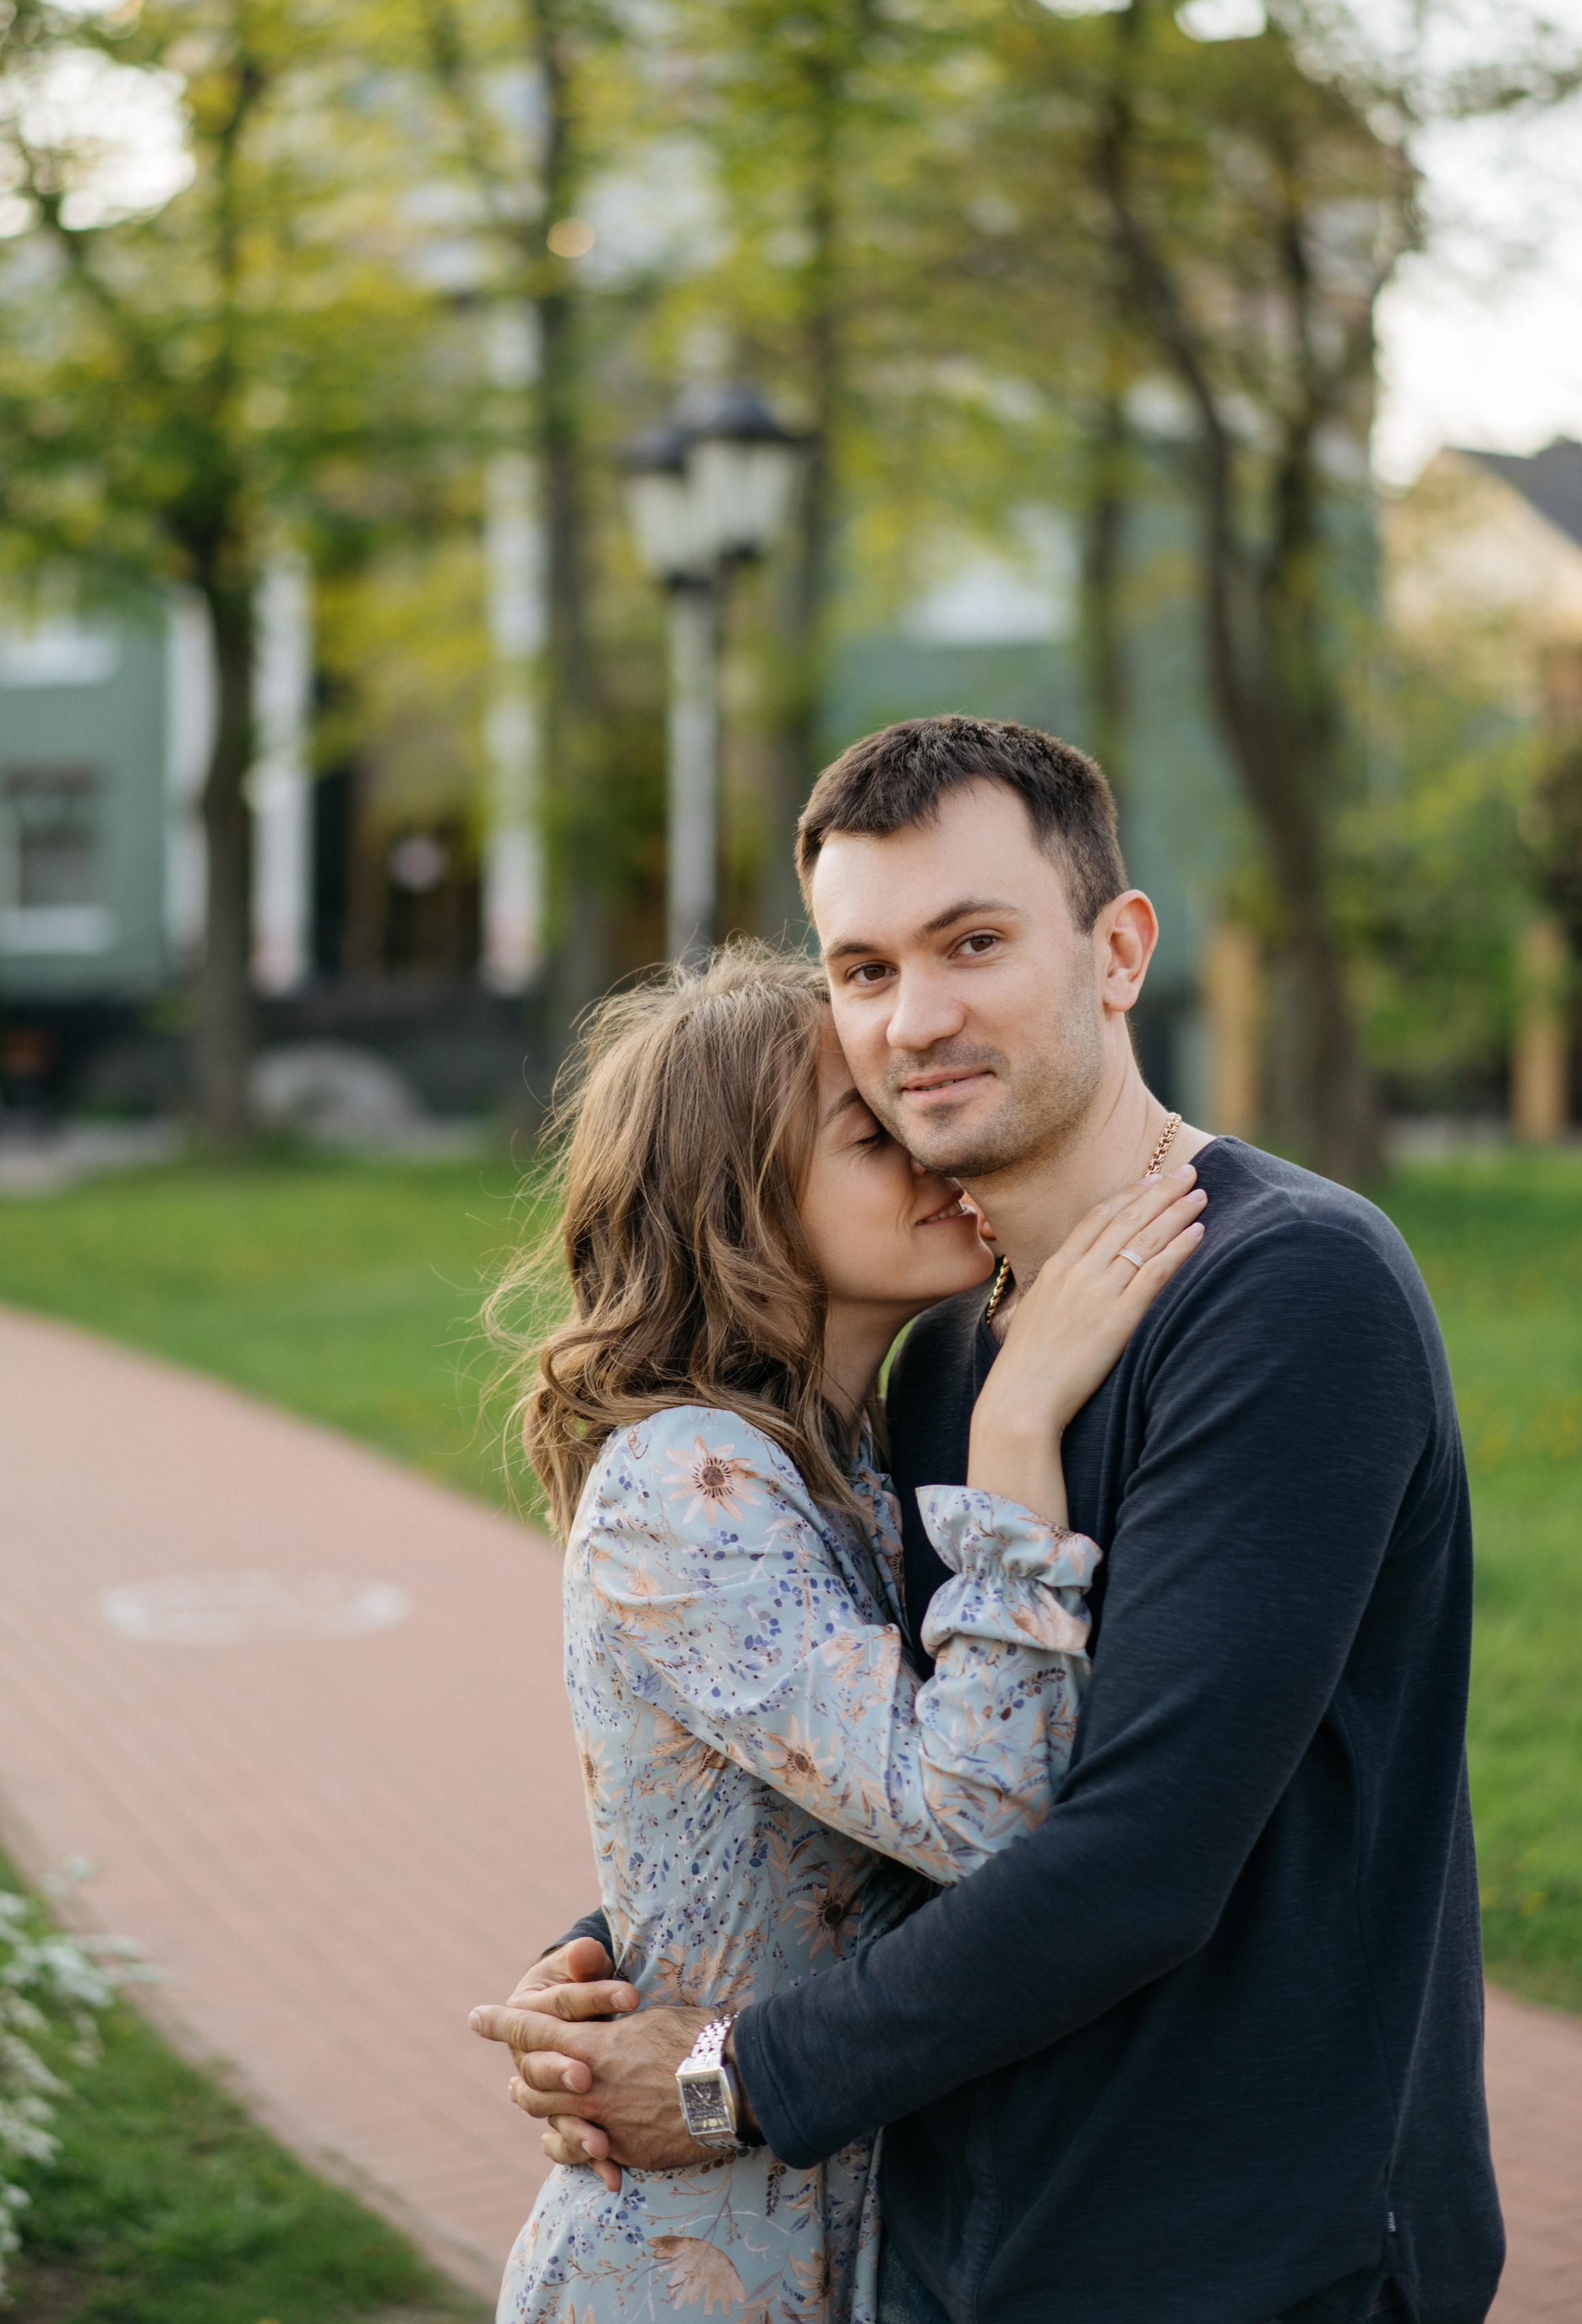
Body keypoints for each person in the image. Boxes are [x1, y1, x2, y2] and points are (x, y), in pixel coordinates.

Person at [473, 717, 1503, 2324]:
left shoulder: (1285, 1290)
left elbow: (1133, 1855)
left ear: (1116, 949)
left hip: (1235, 2245)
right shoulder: (944, 1344)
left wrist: (714, 2073)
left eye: (971, 942)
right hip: (952, 2233)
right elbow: (899, 1766)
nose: (916, 1017)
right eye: (864, 967)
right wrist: (617, 1959)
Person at [482, 939, 1206, 2324]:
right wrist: (1013, 1434)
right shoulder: (683, 1486)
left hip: (849, 2233)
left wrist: (605, 1942)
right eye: (871, 1132)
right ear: (735, 1204)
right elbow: (983, 1813)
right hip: (687, 2268)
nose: (934, 1148)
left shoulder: (841, 1454)